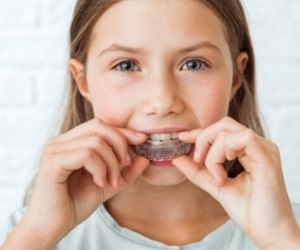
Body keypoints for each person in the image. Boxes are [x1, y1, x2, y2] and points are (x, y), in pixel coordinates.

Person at [1, 0, 300, 249]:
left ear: (235, 76)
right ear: (83, 81)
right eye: (126, 65)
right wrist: (37, 236)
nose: (161, 101)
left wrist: (280, 239)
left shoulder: (288, 230)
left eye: (193, 64)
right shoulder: (27, 234)